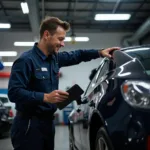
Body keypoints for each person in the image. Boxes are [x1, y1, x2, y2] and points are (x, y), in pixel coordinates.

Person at [8, 16, 120, 150]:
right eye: (60, 39)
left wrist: (100, 52)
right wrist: (45, 97)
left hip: (48, 124)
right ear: (46, 35)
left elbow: (77, 55)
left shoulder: (54, 59)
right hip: (29, 126)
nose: (62, 44)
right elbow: (14, 93)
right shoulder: (26, 61)